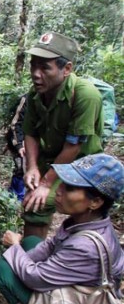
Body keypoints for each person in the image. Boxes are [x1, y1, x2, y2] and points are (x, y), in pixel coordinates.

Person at [0, 153, 124, 304]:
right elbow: (49, 246)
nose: (59, 191)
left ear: (95, 202)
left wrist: (14, 247)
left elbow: (35, 278)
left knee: (3, 269)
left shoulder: (85, 247)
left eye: (69, 188)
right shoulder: (86, 221)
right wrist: (21, 255)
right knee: (31, 242)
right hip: (73, 285)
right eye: (61, 183)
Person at [22, 31, 103, 239]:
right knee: (33, 202)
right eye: (33, 65)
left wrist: (47, 184)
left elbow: (73, 146)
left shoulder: (85, 95)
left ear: (66, 69)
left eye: (45, 67)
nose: (35, 73)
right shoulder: (35, 95)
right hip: (50, 157)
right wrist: (31, 167)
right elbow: (30, 132)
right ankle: (31, 258)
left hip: (82, 164)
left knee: (60, 203)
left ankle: (81, 254)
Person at [5, 94, 27, 200]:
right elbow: (16, 123)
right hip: (20, 141)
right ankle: (14, 199)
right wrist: (19, 145)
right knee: (21, 169)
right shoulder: (27, 99)